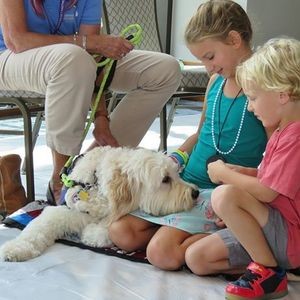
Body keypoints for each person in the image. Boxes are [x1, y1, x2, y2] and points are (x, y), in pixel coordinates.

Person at [109, 0, 269, 270]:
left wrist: (245, 199)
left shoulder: (262, 86)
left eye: (209, 57)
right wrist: (176, 158)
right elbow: (200, 133)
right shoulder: (215, 81)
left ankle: (236, 238)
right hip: (187, 182)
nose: (207, 67)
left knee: (161, 253)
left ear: (233, 39)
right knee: (120, 232)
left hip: (219, 191)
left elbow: (276, 151)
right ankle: (184, 233)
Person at [0, 0, 181, 204]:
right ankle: (62, 179)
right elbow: (17, 40)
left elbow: (93, 56)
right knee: (73, 57)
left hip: (71, 60)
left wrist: (101, 119)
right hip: (9, 57)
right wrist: (88, 42)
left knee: (165, 70)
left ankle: (89, 169)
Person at [186, 37, 300, 300]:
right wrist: (245, 173)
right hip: (275, 229)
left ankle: (269, 271)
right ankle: (276, 265)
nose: (250, 107)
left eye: (254, 98)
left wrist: (225, 175)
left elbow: (269, 193)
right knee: (196, 258)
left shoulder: (294, 136)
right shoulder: (283, 131)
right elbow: (279, 182)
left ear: (282, 94)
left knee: (224, 194)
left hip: (289, 234)